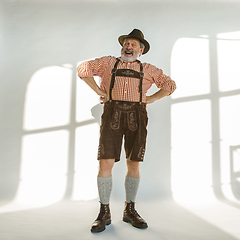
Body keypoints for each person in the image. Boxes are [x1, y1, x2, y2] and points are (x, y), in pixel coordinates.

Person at [77, 29, 176, 233]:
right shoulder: (108, 63)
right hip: (111, 114)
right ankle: (104, 212)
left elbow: (170, 85)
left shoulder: (148, 69)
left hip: (137, 117)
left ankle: (129, 210)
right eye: (126, 44)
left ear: (141, 49)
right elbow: (83, 68)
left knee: (134, 162)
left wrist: (151, 99)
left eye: (133, 45)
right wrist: (98, 90)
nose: (128, 47)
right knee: (105, 161)